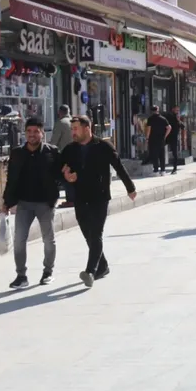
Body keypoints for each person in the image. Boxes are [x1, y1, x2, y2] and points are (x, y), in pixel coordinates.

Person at [60, 116, 137, 287]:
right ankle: (102, 266)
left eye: (75, 128)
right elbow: (58, 168)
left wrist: (130, 187)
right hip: (79, 197)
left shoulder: (103, 146)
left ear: (87, 128)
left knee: (95, 234)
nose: (72, 132)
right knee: (88, 234)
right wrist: (65, 176)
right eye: (72, 129)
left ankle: (90, 272)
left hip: (99, 197)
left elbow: (119, 166)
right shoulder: (70, 149)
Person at [3, 117, 61, 289]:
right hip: (24, 204)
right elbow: (11, 178)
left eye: (36, 131)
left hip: (45, 204)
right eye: (29, 131)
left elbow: (60, 175)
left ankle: (48, 272)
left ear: (42, 133)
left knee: (48, 240)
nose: (32, 135)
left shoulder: (52, 152)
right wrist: (6, 201)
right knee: (19, 240)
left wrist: (55, 195)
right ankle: (21, 275)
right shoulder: (17, 153)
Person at [144, 105, 170, 175]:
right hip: (161, 139)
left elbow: (149, 129)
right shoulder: (163, 119)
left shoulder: (150, 119)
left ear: (152, 111)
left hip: (153, 139)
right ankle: (163, 170)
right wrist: (165, 136)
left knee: (154, 154)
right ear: (158, 110)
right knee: (162, 154)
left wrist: (147, 138)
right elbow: (169, 127)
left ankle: (156, 170)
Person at [166, 105, 185, 174]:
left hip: (174, 137)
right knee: (160, 149)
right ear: (173, 109)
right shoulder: (169, 116)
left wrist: (178, 120)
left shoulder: (178, 118)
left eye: (178, 111)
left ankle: (175, 168)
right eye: (176, 110)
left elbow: (183, 127)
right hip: (167, 135)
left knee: (175, 152)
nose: (177, 112)